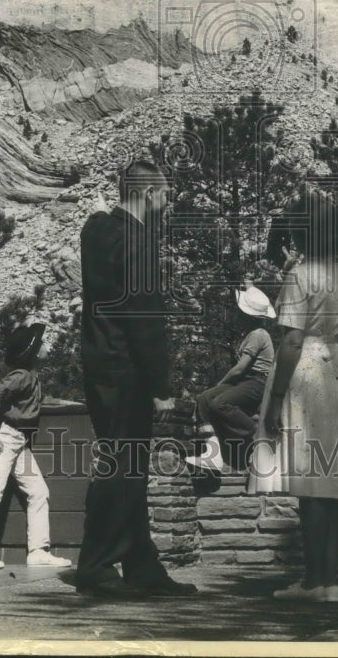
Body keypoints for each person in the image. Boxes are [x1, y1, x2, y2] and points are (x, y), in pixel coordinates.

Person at [75, 159, 197, 598]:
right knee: (124, 472)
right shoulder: (139, 240)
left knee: (121, 466)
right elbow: (145, 319)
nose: (166, 204)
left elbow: (95, 223)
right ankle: (96, 567)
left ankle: (142, 566)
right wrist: (161, 386)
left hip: (98, 366)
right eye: (163, 195)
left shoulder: (98, 232)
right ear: (147, 195)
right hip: (127, 372)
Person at [248, 191, 338, 603]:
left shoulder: (300, 275)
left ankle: (315, 580)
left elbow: (292, 340)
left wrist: (277, 397)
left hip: (307, 374)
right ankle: (327, 579)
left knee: (310, 483)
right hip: (335, 366)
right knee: (330, 484)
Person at [0, 321, 72, 570]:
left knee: (38, 492)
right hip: (6, 438)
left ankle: (38, 551)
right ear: (33, 352)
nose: (47, 345)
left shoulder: (29, 377)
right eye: (43, 343)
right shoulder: (21, 376)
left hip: (19, 442)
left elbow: (32, 404)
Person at [185, 285, 275, 472]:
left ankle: (252, 433)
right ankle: (213, 454)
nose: (236, 315)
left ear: (247, 315)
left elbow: (240, 368)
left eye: (239, 312)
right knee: (204, 399)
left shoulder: (258, 335)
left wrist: (222, 383)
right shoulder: (250, 335)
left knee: (219, 403)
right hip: (246, 382)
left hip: (258, 382)